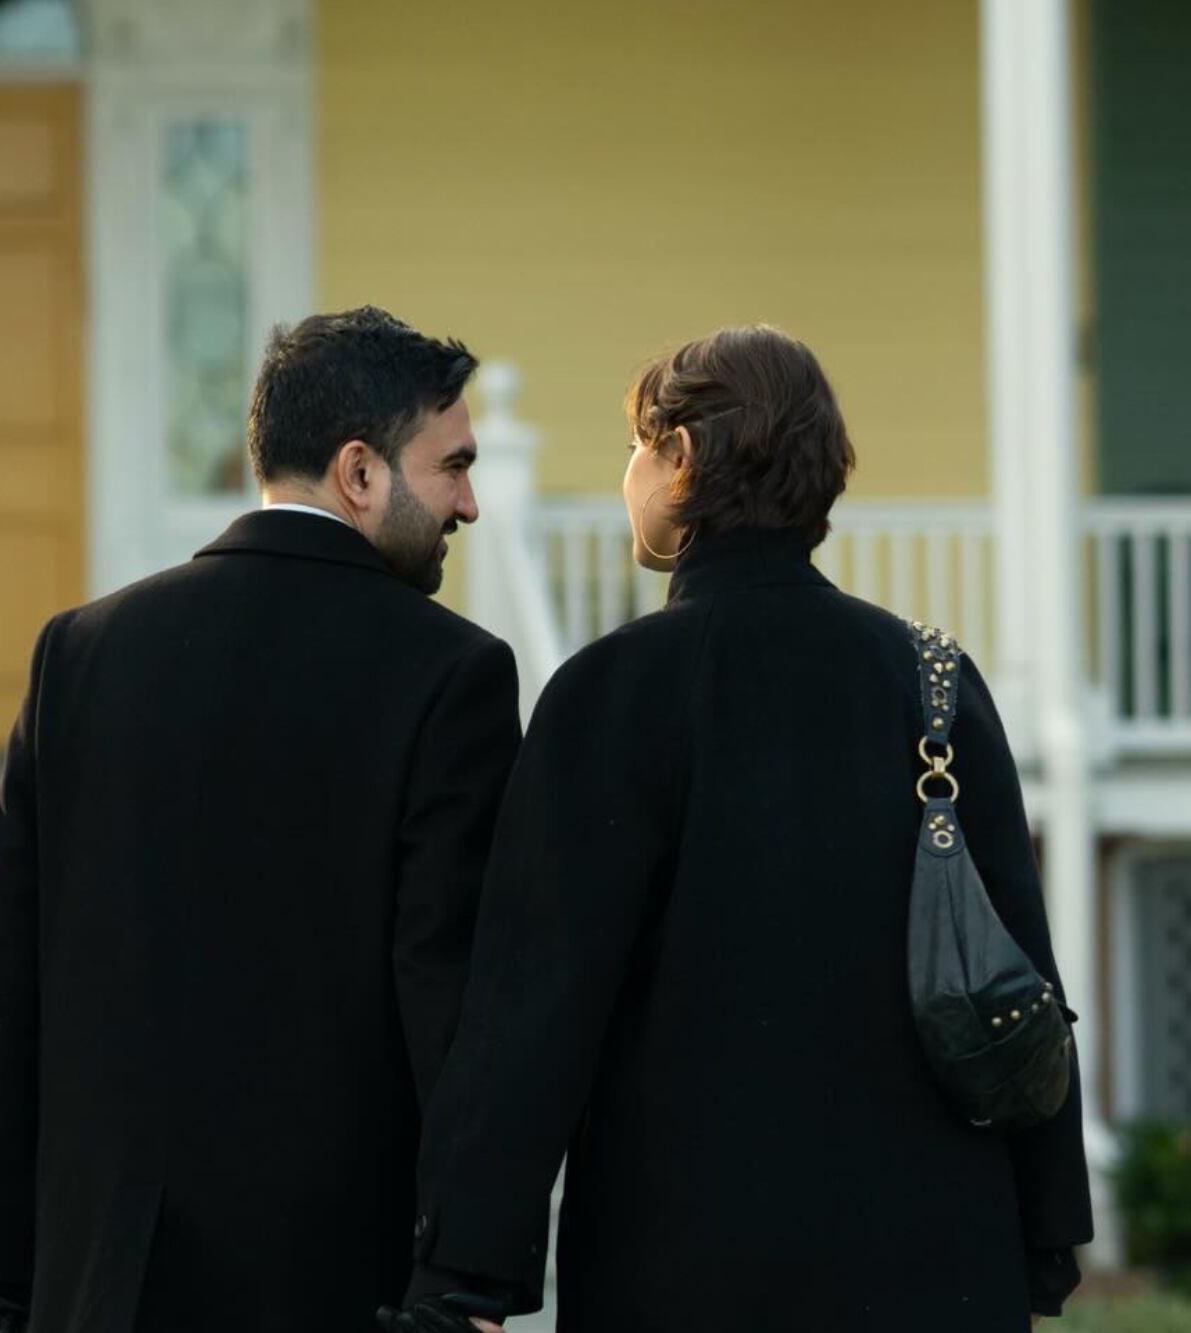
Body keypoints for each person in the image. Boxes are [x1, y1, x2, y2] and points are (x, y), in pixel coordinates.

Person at [381, 326, 1093, 1333]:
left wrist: (465, 1274)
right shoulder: (931, 680)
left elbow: (532, 1009)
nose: (629, 469)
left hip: (686, 1259)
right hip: (936, 1250)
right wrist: (1042, 1230)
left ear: (680, 456)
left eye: (637, 443)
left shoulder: (611, 692)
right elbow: (1018, 976)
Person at [0, 307, 523, 1333]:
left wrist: (5, 1286)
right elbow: (452, 1005)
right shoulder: (452, 678)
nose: (469, 504)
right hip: (337, 1288)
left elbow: (13, 992)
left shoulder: (80, 654)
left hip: (96, 1289)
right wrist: (465, 1281)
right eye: (451, 466)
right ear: (359, 472)